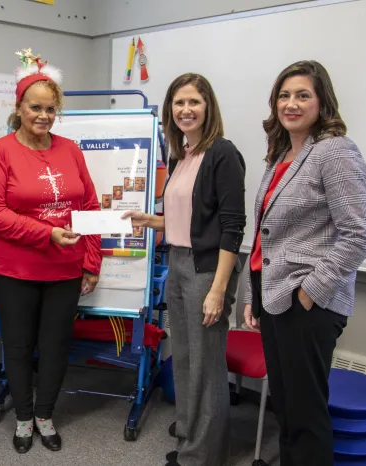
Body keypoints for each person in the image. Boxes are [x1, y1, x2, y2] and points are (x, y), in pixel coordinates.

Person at [243, 60, 366, 466]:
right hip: (274, 295)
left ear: (322, 102)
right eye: (284, 95)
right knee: (288, 411)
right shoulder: (281, 153)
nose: (291, 104)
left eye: (303, 95)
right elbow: (267, 235)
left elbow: (360, 234)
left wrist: (308, 292)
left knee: (306, 416)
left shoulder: (334, 151)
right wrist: (255, 293)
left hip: (308, 303)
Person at [0, 49, 102, 454]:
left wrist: (91, 260)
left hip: (65, 267)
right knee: (16, 344)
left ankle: (45, 414)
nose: (43, 116)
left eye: (50, 108)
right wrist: (45, 234)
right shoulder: (1, 151)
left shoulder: (70, 150)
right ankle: (24, 418)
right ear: (19, 107)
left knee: (55, 345)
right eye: (35, 107)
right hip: (13, 267)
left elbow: (90, 208)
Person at [122, 73, 246, 466]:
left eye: (194, 102)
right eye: (178, 103)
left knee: (207, 365)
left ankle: (201, 457)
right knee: (188, 359)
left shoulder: (222, 153)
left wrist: (218, 289)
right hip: (177, 261)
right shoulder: (182, 155)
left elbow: (231, 228)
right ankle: (191, 434)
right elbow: (190, 219)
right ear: (169, 110)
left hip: (208, 269)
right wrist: (152, 220)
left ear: (208, 107)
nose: (186, 110)